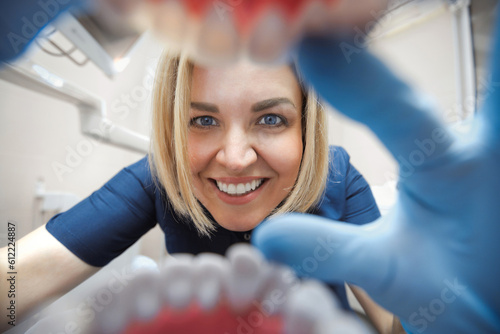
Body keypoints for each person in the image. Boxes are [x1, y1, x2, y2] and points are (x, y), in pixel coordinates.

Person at [0, 51, 402, 333]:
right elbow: (15, 279)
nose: (235, 158)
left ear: (305, 129)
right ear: (174, 127)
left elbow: (391, 320)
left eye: (271, 118)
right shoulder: (157, 178)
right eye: (205, 119)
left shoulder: (338, 177)